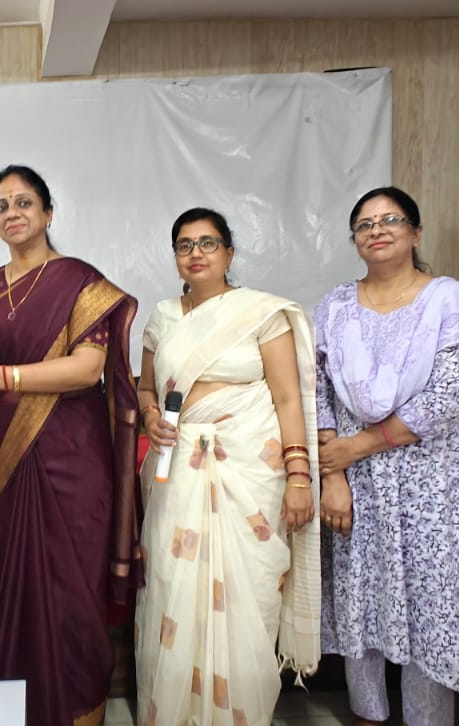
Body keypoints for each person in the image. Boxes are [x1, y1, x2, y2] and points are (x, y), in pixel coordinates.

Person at [0, 164, 138, 726]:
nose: (13, 213)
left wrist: (1, 377)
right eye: (2, 206)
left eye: (24, 202)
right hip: (3, 452)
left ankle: (79, 711)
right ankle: (7, 710)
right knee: (6, 582)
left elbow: (88, 368)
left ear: (48, 213)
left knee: (72, 590)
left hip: (72, 455)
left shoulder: (80, 281)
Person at [314, 187, 459, 726]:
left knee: (433, 606)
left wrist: (353, 448)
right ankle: (368, 714)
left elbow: (445, 401)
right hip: (355, 485)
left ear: (416, 232)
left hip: (431, 484)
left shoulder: (454, 301)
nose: (377, 230)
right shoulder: (334, 306)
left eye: (391, 220)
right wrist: (334, 476)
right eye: (364, 224)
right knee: (361, 602)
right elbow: (318, 391)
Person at [133, 207, 321, 726]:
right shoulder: (163, 318)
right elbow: (146, 389)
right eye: (185, 245)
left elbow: (288, 400)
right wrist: (150, 416)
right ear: (175, 257)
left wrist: (299, 476)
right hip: (177, 471)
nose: (196, 253)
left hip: (249, 474)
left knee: (248, 595)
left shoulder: (262, 313)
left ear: (229, 253)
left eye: (208, 243)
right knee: (172, 585)